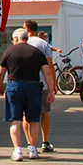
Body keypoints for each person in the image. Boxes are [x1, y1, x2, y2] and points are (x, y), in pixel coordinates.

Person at [0, 28, 55, 161]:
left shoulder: (9, 51)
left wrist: (0, 86)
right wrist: (51, 90)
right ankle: (33, 149)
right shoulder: (37, 52)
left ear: (16, 39)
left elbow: (0, 72)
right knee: (33, 120)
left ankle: (17, 151)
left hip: (14, 86)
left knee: (15, 120)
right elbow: (48, 72)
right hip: (33, 87)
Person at [23, 19, 56, 152]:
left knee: (26, 115)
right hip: (42, 82)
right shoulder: (43, 44)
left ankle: (30, 142)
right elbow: (49, 65)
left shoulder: (22, 43)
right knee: (44, 112)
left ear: (26, 29)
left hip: (25, 81)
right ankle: (45, 141)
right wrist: (53, 85)